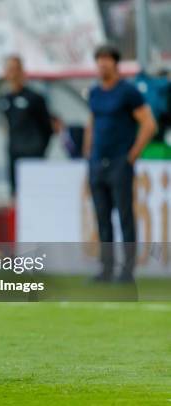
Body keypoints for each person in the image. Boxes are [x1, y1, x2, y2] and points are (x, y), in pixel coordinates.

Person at [85, 45, 157, 283]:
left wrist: (132, 155)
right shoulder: (95, 92)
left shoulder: (128, 92)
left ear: (116, 63)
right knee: (101, 217)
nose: (102, 64)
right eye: (99, 60)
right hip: (98, 162)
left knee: (125, 216)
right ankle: (106, 268)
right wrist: (89, 153)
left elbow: (148, 124)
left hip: (119, 162)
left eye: (106, 59)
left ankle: (127, 269)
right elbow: (92, 122)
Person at [0, 56, 54, 196]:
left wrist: (40, 148)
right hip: (14, 153)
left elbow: (47, 126)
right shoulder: (4, 99)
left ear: (22, 72)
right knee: (16, 192)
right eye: (10, 69)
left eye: (16, 69)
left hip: (33, 153)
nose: (13, 73)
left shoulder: (35, 98)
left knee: (34, 193)